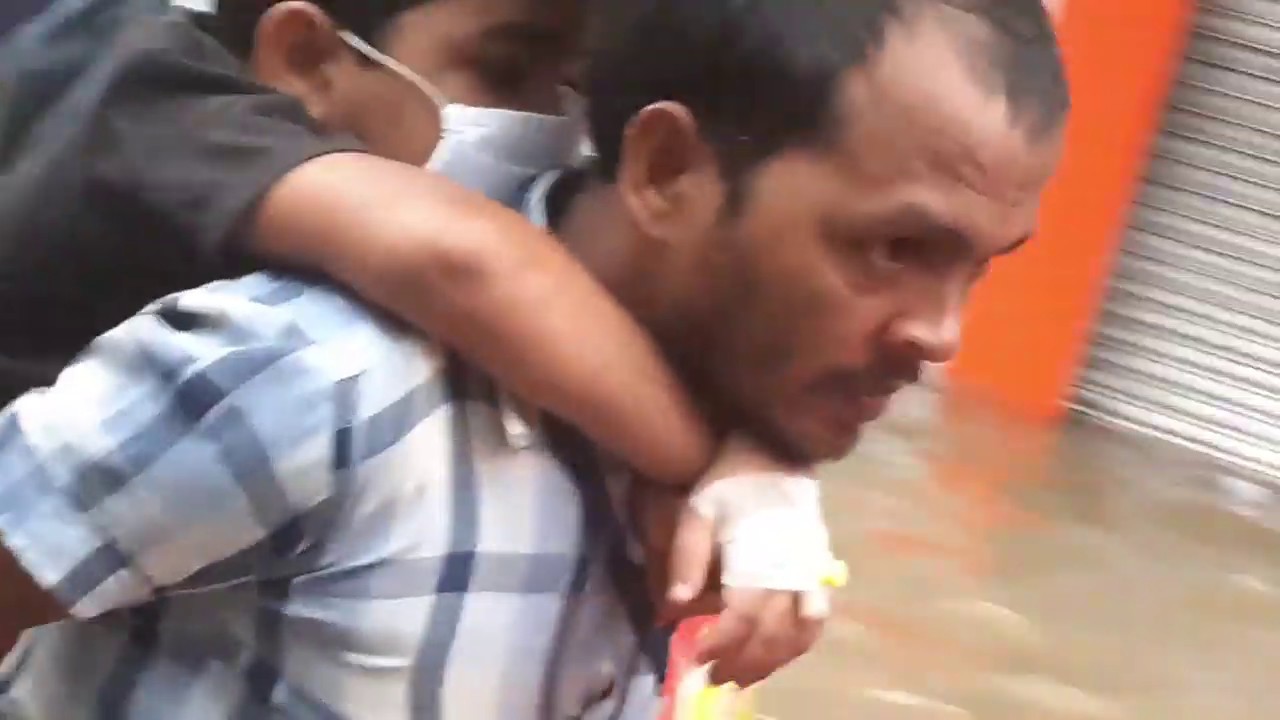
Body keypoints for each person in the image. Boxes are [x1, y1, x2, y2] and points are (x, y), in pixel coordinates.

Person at [0, 0, 1070, 717]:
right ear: (665, 168)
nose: (942, 336)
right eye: (895, 248)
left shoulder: (746, 455)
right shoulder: (312, 375)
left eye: (979, 265)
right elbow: (461, 259)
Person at [0, 0, 718, 498]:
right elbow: (464, 259)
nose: (558, 124)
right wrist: (709, 475)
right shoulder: (162, 106)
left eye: (571, 84)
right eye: (507, 70)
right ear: (308, 62)